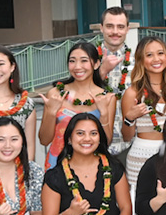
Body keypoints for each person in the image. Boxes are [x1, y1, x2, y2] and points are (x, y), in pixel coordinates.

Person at [38, 42, 116, 170]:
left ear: (96, 64)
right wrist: (52, 112)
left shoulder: (106, 98)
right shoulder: (55, 94)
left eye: (84, 61)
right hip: (57, 164)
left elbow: (106, 142)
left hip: (92, 166)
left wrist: (104, 114)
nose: (77, 66)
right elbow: (44, 140)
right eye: (72, 61)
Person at [120, 36, 166, 187]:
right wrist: (130, 117)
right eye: (149, 55)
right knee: (141, 204)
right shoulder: (132, 93)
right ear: (141, 60)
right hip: (141, 155)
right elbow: (127, 137)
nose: (156, 59)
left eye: (160, 53)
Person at [96, 6, 133, 157]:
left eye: (120, 27)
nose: (115, 32)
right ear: (101, 28)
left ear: (127, 29)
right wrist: (102, 71)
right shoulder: (86, 61)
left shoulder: (138, 62)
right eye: (110, 26)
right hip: (94, 145)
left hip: (130, 145)